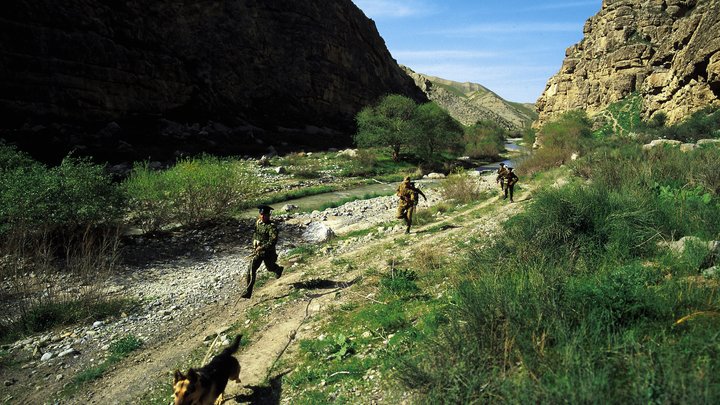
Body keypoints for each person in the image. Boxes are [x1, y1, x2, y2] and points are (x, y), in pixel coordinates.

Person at [242, 205, 283, 299]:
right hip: (258, 253)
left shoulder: (272, 227)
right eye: (261, 215)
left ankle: (278, 269)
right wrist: (254, 242)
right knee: (251, 270)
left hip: (269, 253)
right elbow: (255, 234)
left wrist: (262, 247)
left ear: (269, 215)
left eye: (264, 215)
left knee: (270, 267)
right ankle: (248, 292)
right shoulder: (258, 223)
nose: (262, 217)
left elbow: (273, 241)